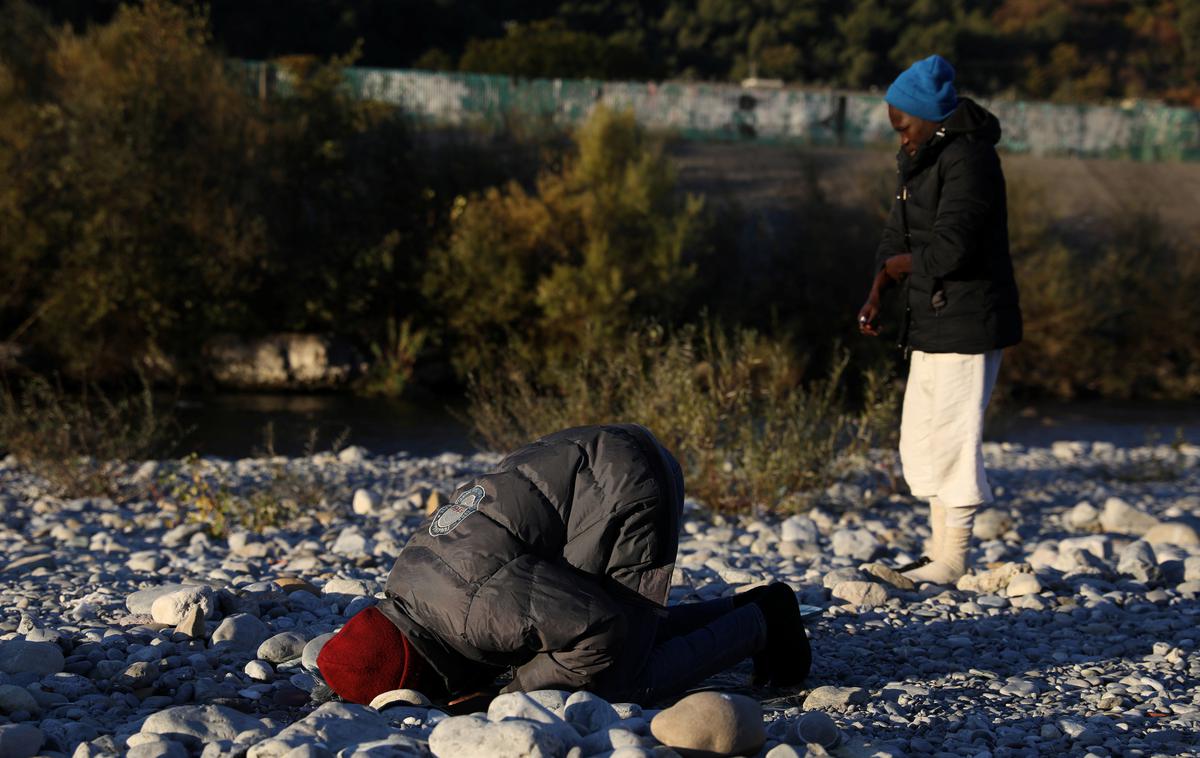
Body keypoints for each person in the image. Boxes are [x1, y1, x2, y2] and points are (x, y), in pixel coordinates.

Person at [317, 424, 811, 706]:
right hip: (583, 461)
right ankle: (755, 607)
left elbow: (601, 628)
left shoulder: (476, 613)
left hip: (624, 486)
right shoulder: (408, 580)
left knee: (617, 679)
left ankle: (766, 623)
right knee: (578, 634)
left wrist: (509, 696)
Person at [857, 55, 1022, 586]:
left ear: (929, 117)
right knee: (923, 438)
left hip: (968, 318)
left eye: (903, 125)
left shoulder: (969, 159)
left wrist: (903, 267)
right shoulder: (922, 158)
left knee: (953, 434)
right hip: (931, 317)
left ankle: (955, 559)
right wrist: (879, 287)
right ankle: (937, 555)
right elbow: (896, 235)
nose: (899, 137)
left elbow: (954, 247)